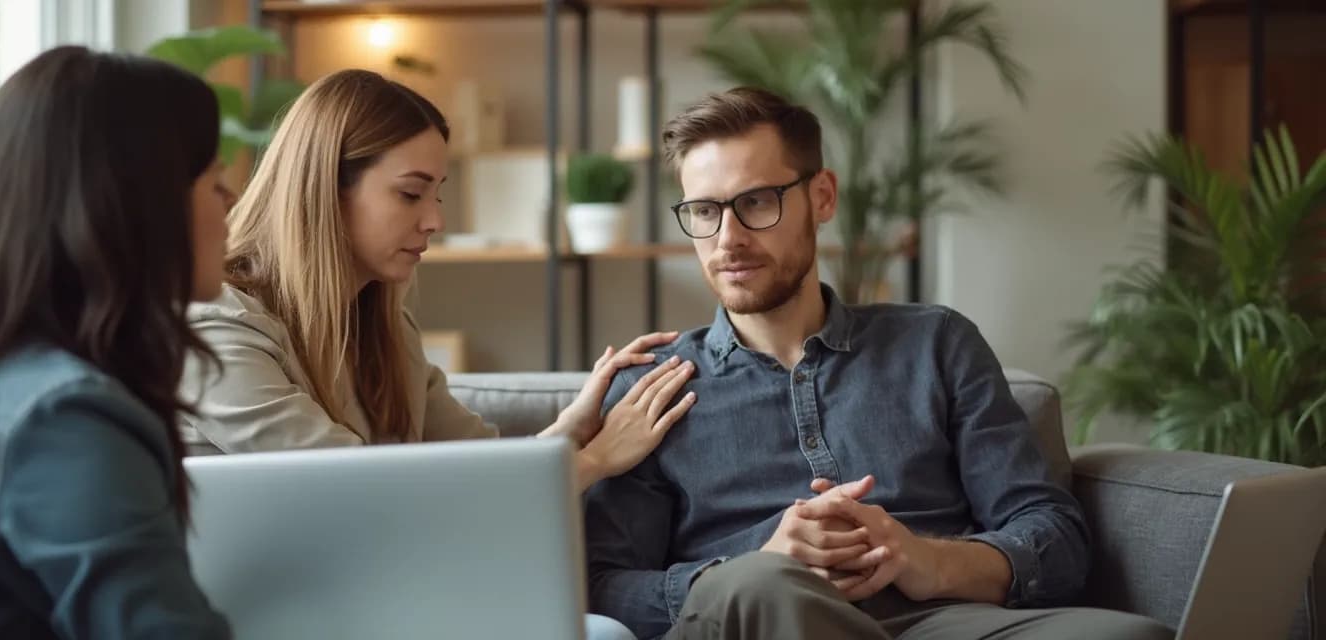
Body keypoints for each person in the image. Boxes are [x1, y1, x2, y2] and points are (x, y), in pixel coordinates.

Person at [581, 87, 1176, 640]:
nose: (727, 238)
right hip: (760, 620)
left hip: (940, 620)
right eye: (704, 211)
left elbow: (1054, 535)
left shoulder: (937, 344)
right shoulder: (649, 389)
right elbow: (604, 587)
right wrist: (756, 566)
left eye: (756, 202)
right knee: (761, 586)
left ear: (822, 198)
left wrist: (924, 559)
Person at [177, 69, 691, 640]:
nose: (436, 220)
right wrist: (594, 462)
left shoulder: (383, 322)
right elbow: (366, 497)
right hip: (279, 612)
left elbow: (473, 470)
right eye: (409, 193)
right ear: (326, 187)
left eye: (437, 193)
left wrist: (573, 431)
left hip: (378, 596)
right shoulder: (216, 329)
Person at [0, 46, 236, 639]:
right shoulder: (58, 416)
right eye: (215, 179)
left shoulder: (16, 387)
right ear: (133, 204)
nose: (231, 201)